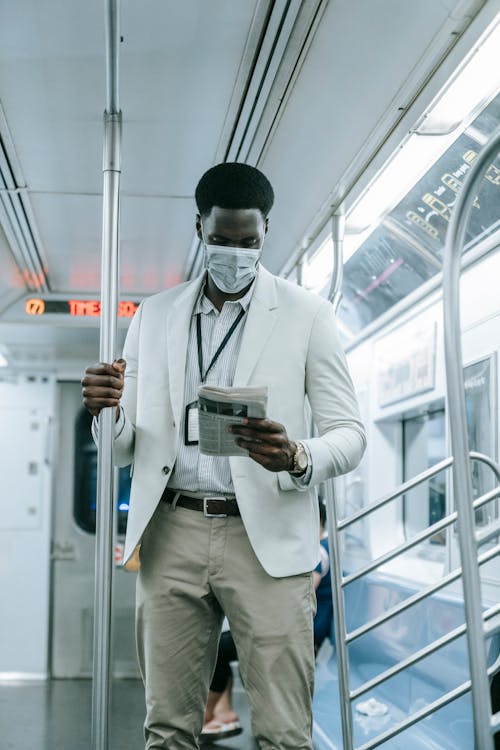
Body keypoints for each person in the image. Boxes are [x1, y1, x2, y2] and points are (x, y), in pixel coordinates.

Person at [82, 162, 366, 750]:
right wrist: (104, 413)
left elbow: (350, 434)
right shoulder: (155, 316)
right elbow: (123, 449)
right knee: (166, 730)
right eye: (221, 240)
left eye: (248, 242)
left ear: (265, 233)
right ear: (199, 229)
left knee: (285, 733)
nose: (234, 252)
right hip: (173, 530)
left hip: (265, 533)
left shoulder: (307, 314)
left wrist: (296, 455)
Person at [201, 499, 333, 743]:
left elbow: (303, 596)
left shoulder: (317, 551)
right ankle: (222, 712)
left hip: (303, 630)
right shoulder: (323, 549)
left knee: (218, 649)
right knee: (225, 645)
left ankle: (211, 715)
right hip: (310, 629)